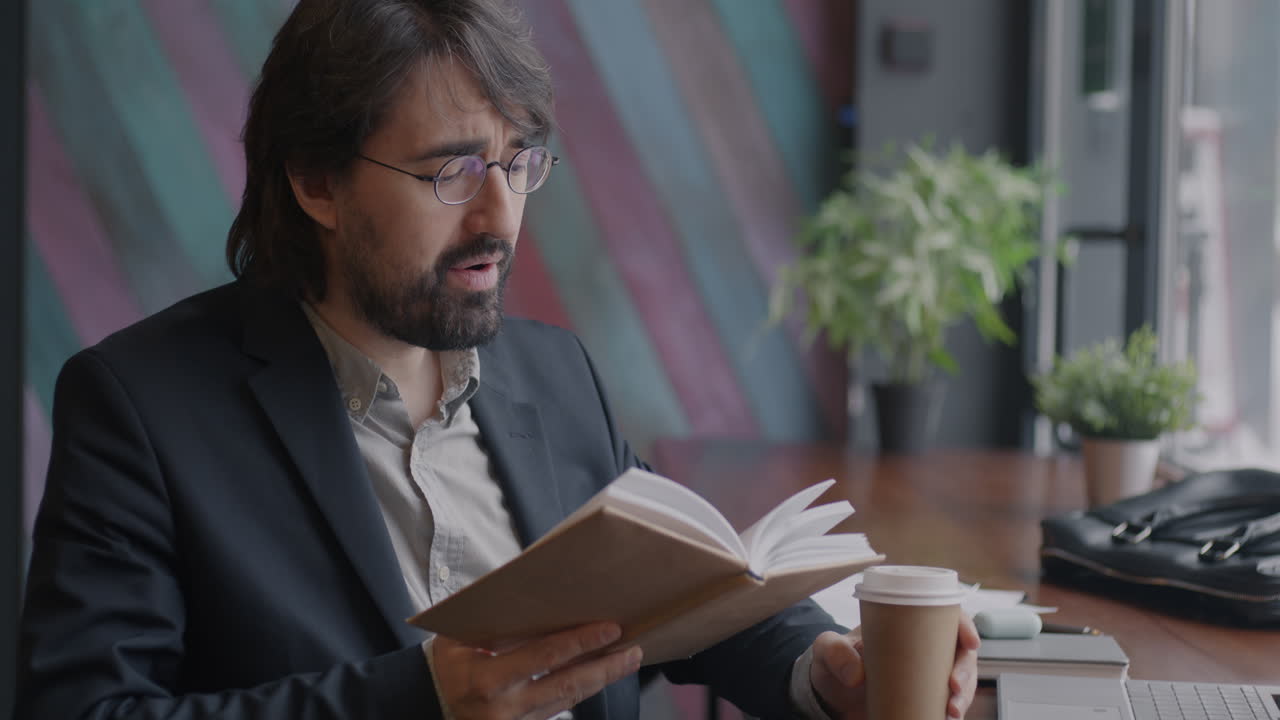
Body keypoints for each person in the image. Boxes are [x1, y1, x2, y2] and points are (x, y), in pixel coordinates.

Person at [15, 1, 979, 718]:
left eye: (518, 161)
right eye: (451, 172)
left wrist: (829, 673)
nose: (499, 216)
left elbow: (699, 592)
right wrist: (421, 700)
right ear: (316, 182)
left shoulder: (554, 379)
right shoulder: (141, 407)